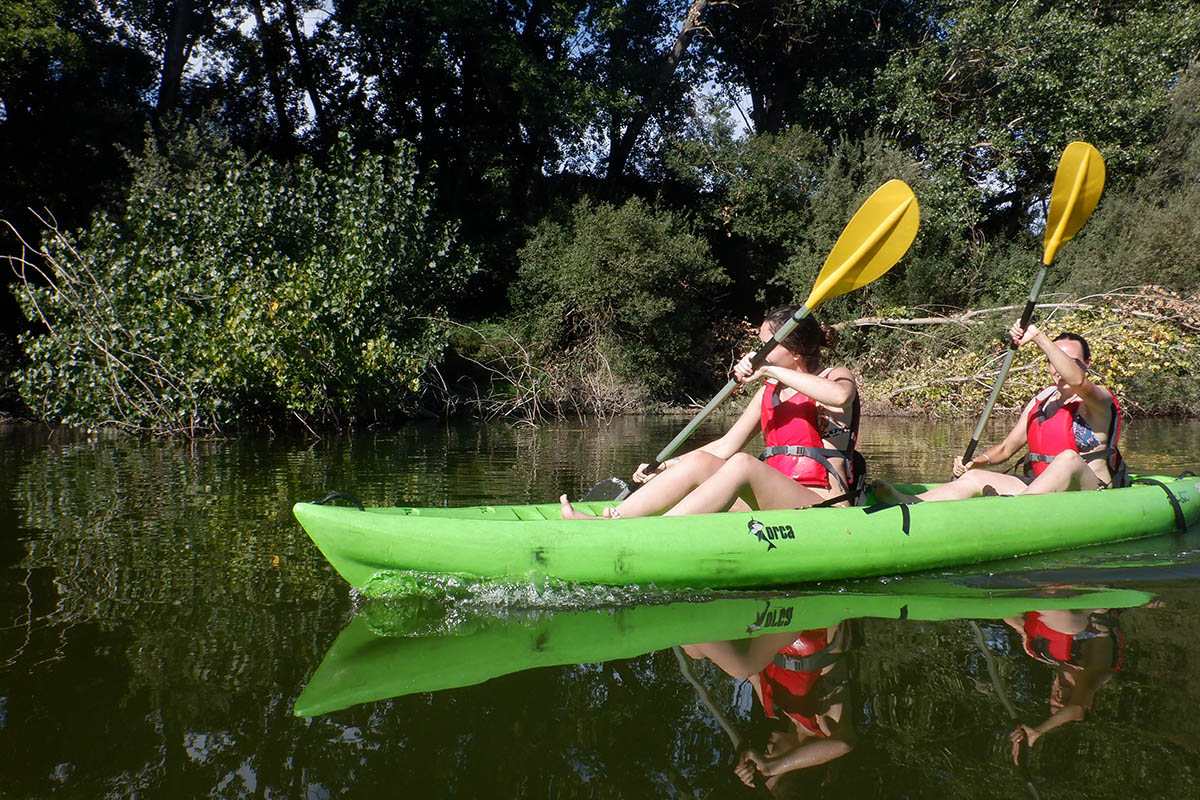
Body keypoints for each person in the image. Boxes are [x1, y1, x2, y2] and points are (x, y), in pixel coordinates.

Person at [560, 307, 860, 520]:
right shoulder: (770, 391)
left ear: (795, 351)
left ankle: (656, 534)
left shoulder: (835, 376)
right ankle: (615, 519)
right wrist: (666, 466)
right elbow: (725, 446)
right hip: (774, 500)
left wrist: (768, 368)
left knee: (742, 464)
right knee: (705, 461)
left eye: (766, 345)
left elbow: (841, 396)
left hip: (822, 504)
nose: (756, 353)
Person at [871, 321, 1126, 504]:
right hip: (1037, 488)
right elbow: (1006, 449)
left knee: (1069, 458)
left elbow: (1078, 381)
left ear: (1087, 364)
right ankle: (911, 502)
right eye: (1053, 360)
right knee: (974, 477)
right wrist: (976, 461)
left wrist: (1037, 336)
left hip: (1091, 490)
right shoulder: (1042, 400)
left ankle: (1011, 511)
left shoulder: (1098, 398)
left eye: (1068, 360)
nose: (1058, 368)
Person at [681, 622, 855, 791]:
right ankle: (687, 620)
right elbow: (844, 743)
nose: (763, 757)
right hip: (808, 619)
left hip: (775, 622)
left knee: (695, 652)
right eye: (770, 771)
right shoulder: (823, 722)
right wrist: (772, 767)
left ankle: (681, 618)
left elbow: (754, 675)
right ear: (798, 766)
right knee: (741, 668)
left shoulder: (773, 709)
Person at [1004, 607, 1122, 764]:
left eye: (1054, 707)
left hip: (1042, 599)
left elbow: (1012, 617)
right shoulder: (1098, 669)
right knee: (1068, 625)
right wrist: (1038, 731)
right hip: (1084, 601)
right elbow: (1078, 709)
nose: (1059, 699)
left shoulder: (1038, 652)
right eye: (1065, 704)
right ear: (1088, 702)